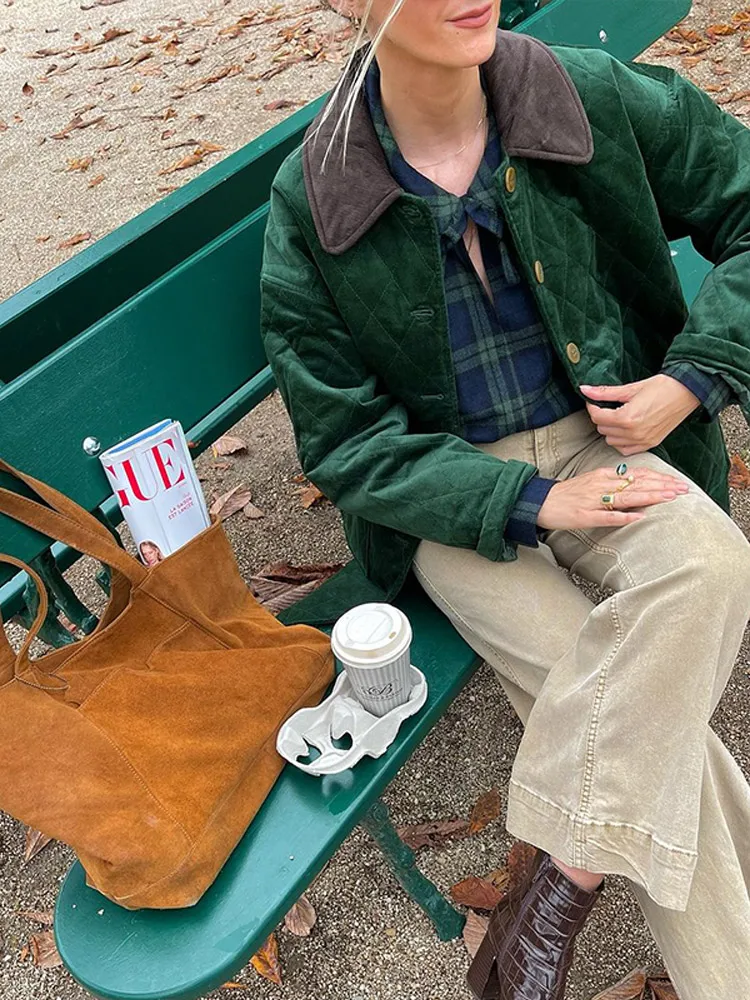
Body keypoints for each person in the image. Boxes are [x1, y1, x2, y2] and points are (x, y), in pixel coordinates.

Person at [259, 2, 750, 997]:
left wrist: (693, 376)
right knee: (636, 709)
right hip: (456, 502)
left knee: (709, 563)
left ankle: (553, 890)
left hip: (606, 445)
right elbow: (350, 442)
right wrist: (525, 501)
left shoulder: (582, 98)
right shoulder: (318, 193)